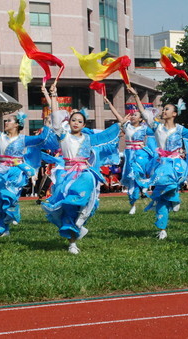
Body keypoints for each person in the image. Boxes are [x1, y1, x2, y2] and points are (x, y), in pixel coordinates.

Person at [41, 83, 121, 254]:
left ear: (84, 124)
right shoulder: (64, 136)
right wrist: (54, 96)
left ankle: (78, 223)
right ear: (68, 122)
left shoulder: (89, 138)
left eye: (79, 121)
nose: (76, 123)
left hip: (85, 172)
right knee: (69, 208)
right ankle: (72, 242)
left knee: (83, 195)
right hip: (66, 174)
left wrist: (120, 124)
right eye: (73, 120)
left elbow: (108, 134)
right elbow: (55, 118)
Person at [132, 86, 188, 240]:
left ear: (174, 113)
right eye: (163, 109)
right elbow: (144, 114)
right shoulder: (156, 127)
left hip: (176, 164)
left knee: (168, 182)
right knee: (160, 198)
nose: (164, 111)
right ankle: (162, 228)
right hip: (160, 163)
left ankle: (175, 196)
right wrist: (136, 96)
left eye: (167, 109)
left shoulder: (180, 129)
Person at [0, 100, 56, 237]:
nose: (6, 123)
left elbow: (42, 138)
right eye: (6, 121)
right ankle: (1, 225)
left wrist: (47, 124)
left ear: (17, 124)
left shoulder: (24, 139)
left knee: (9, 195)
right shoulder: (0, 137)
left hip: (16, 170)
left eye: (9, 121)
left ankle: (12, 214)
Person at [103, 94, 155, 214]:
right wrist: (109, 103)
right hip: (129, 155)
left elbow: (155, 129)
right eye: (132, 114)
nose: (132, 116)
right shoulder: (127, 126)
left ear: (141, 119)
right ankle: (133, 202)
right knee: (131, 180)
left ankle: (143, 188)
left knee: (137, 173)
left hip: (141, 154)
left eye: (135, 115)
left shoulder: (144, 128)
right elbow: (117, 115)